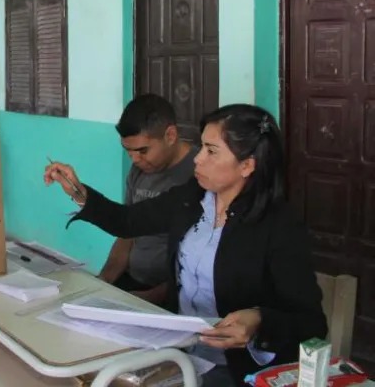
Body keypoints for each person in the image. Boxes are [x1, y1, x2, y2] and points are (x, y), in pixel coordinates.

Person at [45, 104, 327, 386]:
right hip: (177, 352)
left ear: (247, 165)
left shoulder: (278, 225)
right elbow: (128, 221)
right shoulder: (192, 198)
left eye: (211, 151)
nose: (198, 159)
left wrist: (258, 320)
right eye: (201, 147)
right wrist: (77, 191)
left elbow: (312, 322)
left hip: (236, 369)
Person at [97, 94, 196, 304]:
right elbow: (127, 234)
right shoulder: (138, 171)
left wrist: (152, 298)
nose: (135, 160)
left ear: (170, 136)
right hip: (133, 283)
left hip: (175, 295)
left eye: (143, 150)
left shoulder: (199, 174)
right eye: (128, 152)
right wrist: (103, 280)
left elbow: (200, 259)